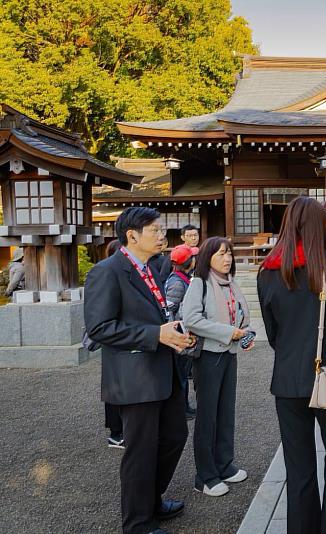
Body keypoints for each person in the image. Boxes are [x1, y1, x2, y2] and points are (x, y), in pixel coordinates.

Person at [84, 207, 191, 534]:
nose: (162, 236)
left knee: (174, 436)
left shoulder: (151, 268)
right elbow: (99, 328)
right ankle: (138, 523)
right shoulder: (107, 271)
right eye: (155, 230)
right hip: (135, 378)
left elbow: (154, 315)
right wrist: (155, 334)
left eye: (162, 230)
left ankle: (151, 500)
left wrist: (172, 331)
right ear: (132, 235)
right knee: (141, 452)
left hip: (162, 369)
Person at [257, 196, 326, 534]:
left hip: (287, 380)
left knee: (298, 468)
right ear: (319, 229)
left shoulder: (268, 272)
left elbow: (272, 332)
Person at [182, 236, 253, 497]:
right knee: (208, 416)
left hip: (229, 354)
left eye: (229, 254)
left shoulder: (230, 283)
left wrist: (245, 333)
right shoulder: (199, 283)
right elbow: (191, 319)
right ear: (207, 257)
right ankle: (205, 476)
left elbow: (240, 316)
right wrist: (228, 332)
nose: (227, 258)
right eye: (221, 254)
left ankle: (224, 464)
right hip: (209, 357)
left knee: (226, 412)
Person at [165, 244, 199, 420]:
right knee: (181, 376)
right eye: (193, 257)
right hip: (180, 333)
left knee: (183, 374)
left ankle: (184, 407)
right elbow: (169, 309)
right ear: (188, 262)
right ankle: (181, 409)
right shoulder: (177, 283)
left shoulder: (182, 278)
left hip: (183, 332)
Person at [102, 239, 124, 449]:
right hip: (116, 341)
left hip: (123, 340)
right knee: (115, 390)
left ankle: (120, 430)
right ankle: (116, 433)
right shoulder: (107, 275)